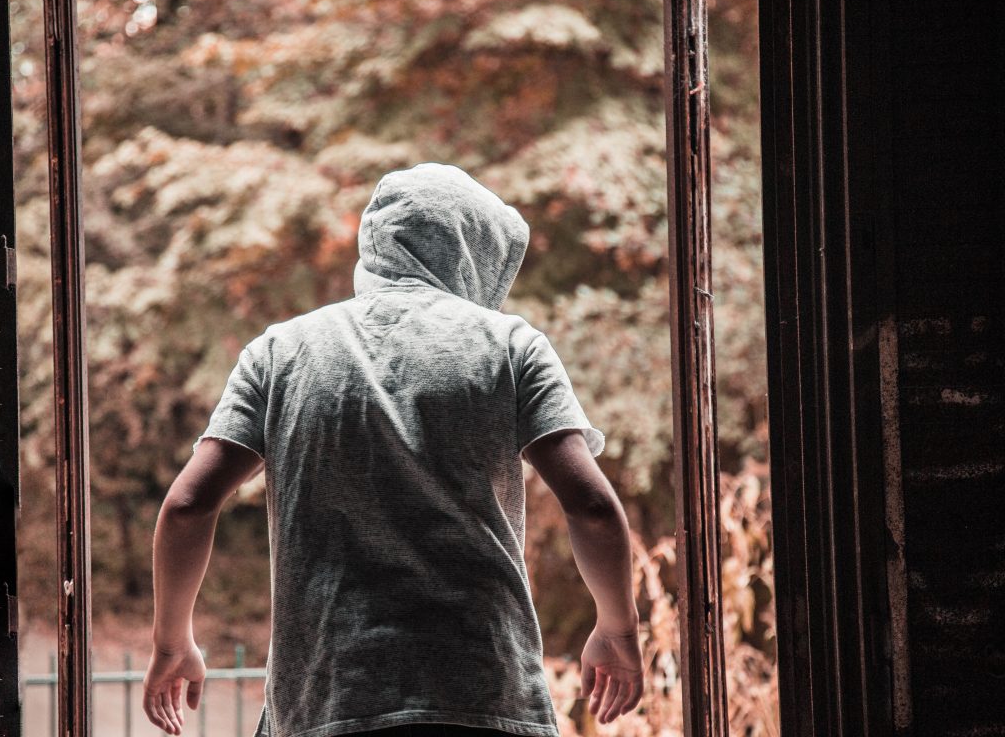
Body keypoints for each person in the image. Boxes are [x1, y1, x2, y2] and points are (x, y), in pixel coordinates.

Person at [143, 163, 644, 737]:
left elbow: (188, 504)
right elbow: (592, 506)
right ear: (469, 251)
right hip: (482, 693)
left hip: (327, 697)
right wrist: (618, 630)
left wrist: (171, 639)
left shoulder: (279, 353)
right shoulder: (511, 347)